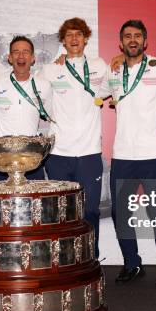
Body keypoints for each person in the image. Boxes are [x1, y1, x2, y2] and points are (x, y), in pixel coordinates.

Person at [107, 20, 156, 286]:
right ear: (121, 42)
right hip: (123, 154)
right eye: (127, 36)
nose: (132, 40)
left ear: (145, 42)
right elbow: (96, 91)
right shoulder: (113, 71)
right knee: (121, 214)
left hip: (154, 153)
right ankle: (132, 264)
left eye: (137, 36)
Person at [40, 18, 110, 258]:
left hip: (89, 152)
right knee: (62, 213)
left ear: (85, 38)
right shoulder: (51, 70)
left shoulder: (100, 65)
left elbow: (117, 84)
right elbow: (29, 88)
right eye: (69, 35)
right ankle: (65, 261)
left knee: (90, 210)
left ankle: (91, 258)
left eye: (78, 34)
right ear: (63, 40)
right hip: (59, 153)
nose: (74, 39)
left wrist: (120, 61)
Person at [0, 36, 53, 180]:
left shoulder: (44, 85)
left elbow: (46, 118)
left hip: (32, 158)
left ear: (33, 58)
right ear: (10, 58)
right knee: (2, 202)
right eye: (16, 52)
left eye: (25, 52)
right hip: (2, 158)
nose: (21, 56)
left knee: (35, 202)